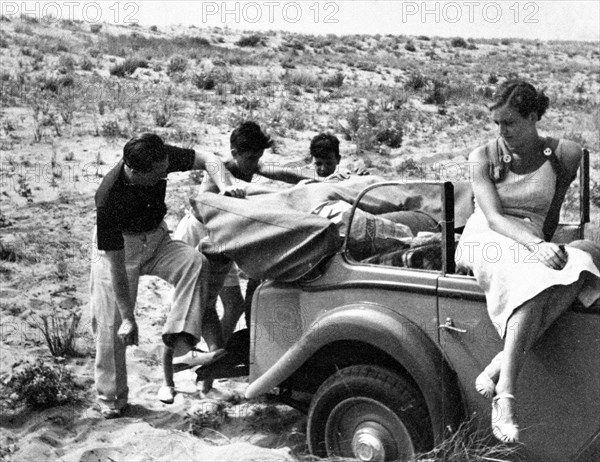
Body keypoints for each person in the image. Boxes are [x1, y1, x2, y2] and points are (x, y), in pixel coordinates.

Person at [455, 80, 600, 443]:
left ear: (534, 117)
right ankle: (505, 396)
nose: (502, 132)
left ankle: (498, 363)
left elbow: (551, 213)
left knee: (585, 260)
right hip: (488, 239)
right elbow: (492, 218)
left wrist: (546, 248)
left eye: (510, 123)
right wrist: (536, 247)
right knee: (535, 280)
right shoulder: (483, 156)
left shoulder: (564, 155)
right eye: (497, 124)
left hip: (531, 239)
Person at [90, 133, 245, 418]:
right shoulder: (108, 198)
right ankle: (112, 400)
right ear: (135, 171)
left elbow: (209, 159)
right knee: (111, 326)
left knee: (195, 263)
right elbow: (115, 266)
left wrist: (226, 186)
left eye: (166, 169)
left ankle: (182, 345)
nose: (165, 175)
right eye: (159, 174)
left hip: (157, 238)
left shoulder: (158, 156)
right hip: (121, 250)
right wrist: (128, 317)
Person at [158, 121, 314, 403]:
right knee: (184, 310)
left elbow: (278, 171)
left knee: (234, 304)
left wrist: (309, 181)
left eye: (258, 157)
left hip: (224, 241)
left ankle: (212, 362)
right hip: (198, 236)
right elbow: (203, 198)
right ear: (234, 152)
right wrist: (228, 193)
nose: (256, 163)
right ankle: (167, 381)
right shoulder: (219, 171)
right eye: (251, 158)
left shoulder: (250, 165)